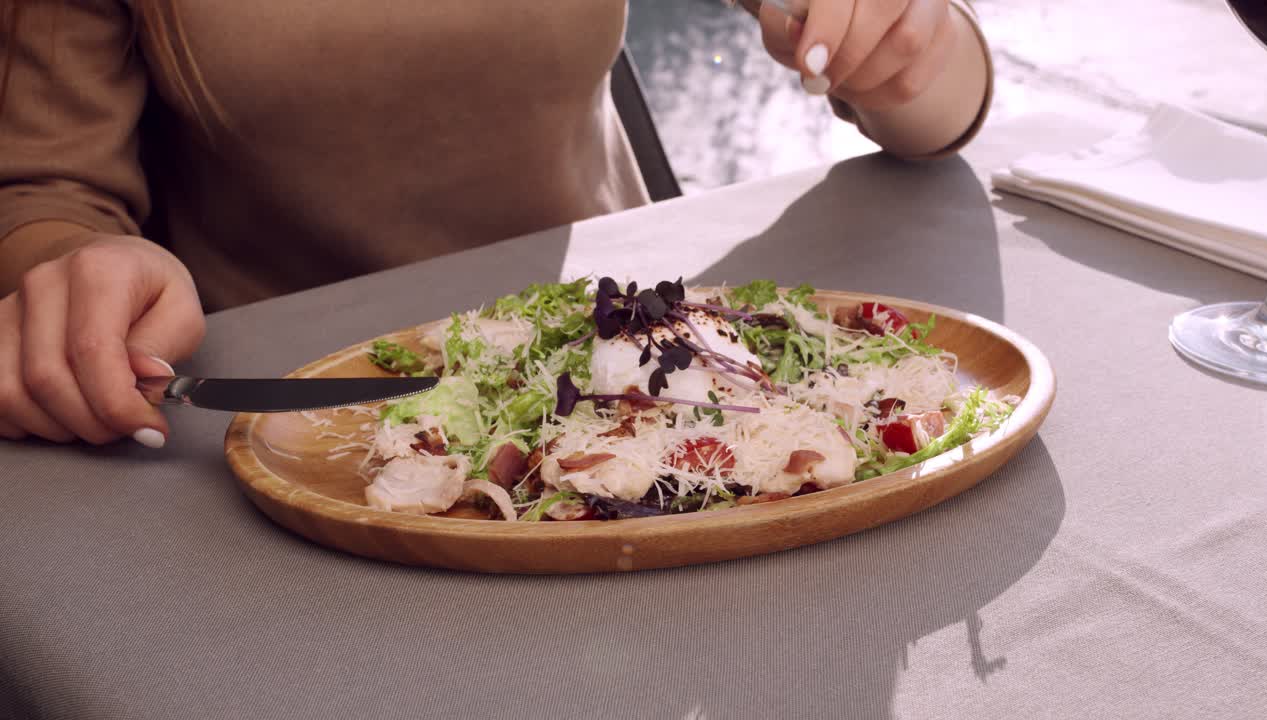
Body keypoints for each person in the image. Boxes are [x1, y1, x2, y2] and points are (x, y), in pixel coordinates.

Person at [0, 0, 993, 448]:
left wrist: (910, 43)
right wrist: (75, 270)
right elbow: (43, 196)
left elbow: (936, 106)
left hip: (647, 389)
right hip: (320, 431)